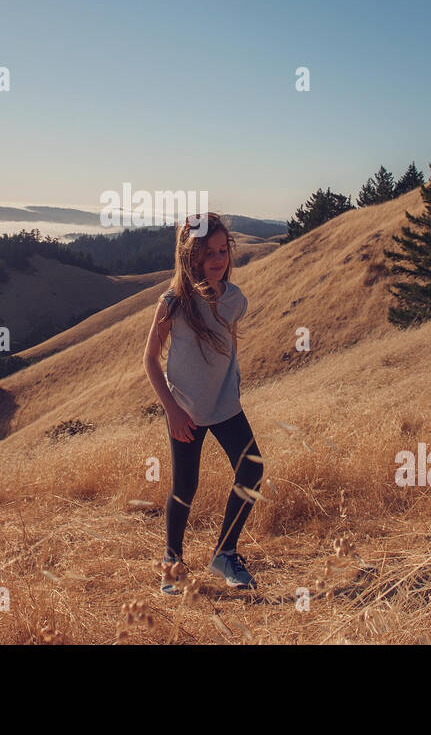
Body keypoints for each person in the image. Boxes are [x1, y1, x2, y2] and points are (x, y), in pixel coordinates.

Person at [142, 212, 264, 593]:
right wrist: (173, 411)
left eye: (222, 250)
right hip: (186, 412)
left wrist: (233, 381)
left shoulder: (235, 299)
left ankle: (224, 554)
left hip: (226, 406)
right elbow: (149, 359)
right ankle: (172, 561)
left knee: (252, 471)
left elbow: (229, 343)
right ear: (189, 255)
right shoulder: (174, 303)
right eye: (207, 251)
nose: (217, 258)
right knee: (185, 487)